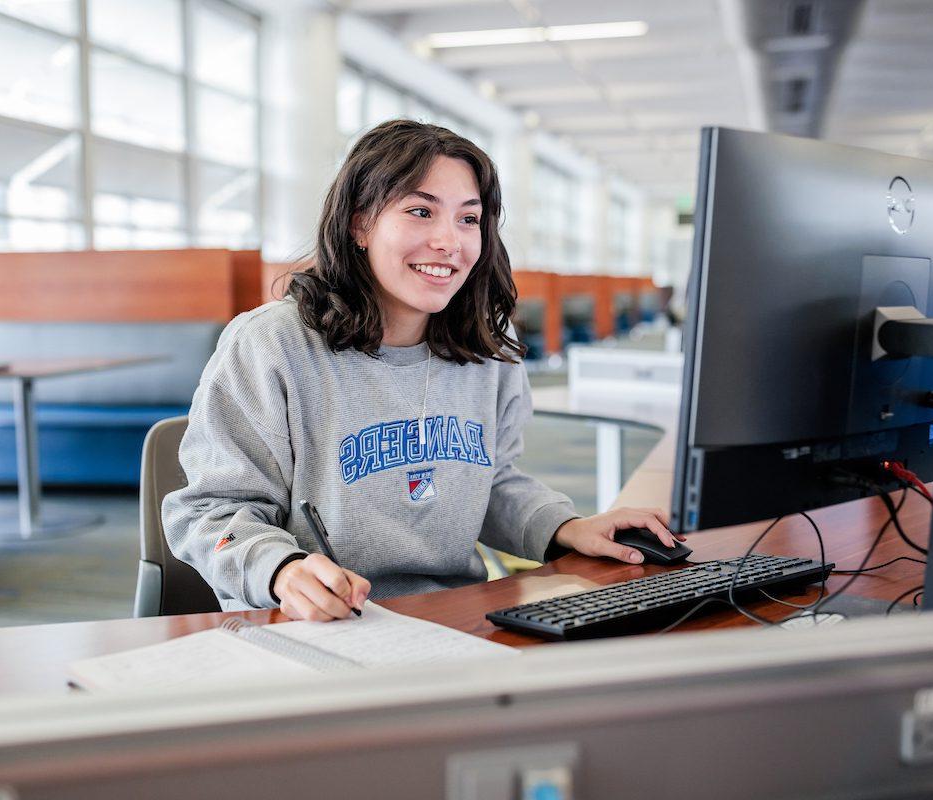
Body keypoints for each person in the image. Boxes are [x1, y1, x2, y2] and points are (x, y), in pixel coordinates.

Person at [163, 119, 682, 621]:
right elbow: (206, 514)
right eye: (420, 211)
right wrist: (281, 569)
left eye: (468, 218)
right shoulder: (273, 345)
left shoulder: (487, 352)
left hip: (452, 618)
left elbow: (492, 484)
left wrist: (568, 526)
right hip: (314, 627)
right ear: (359, 223)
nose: (449, 241)